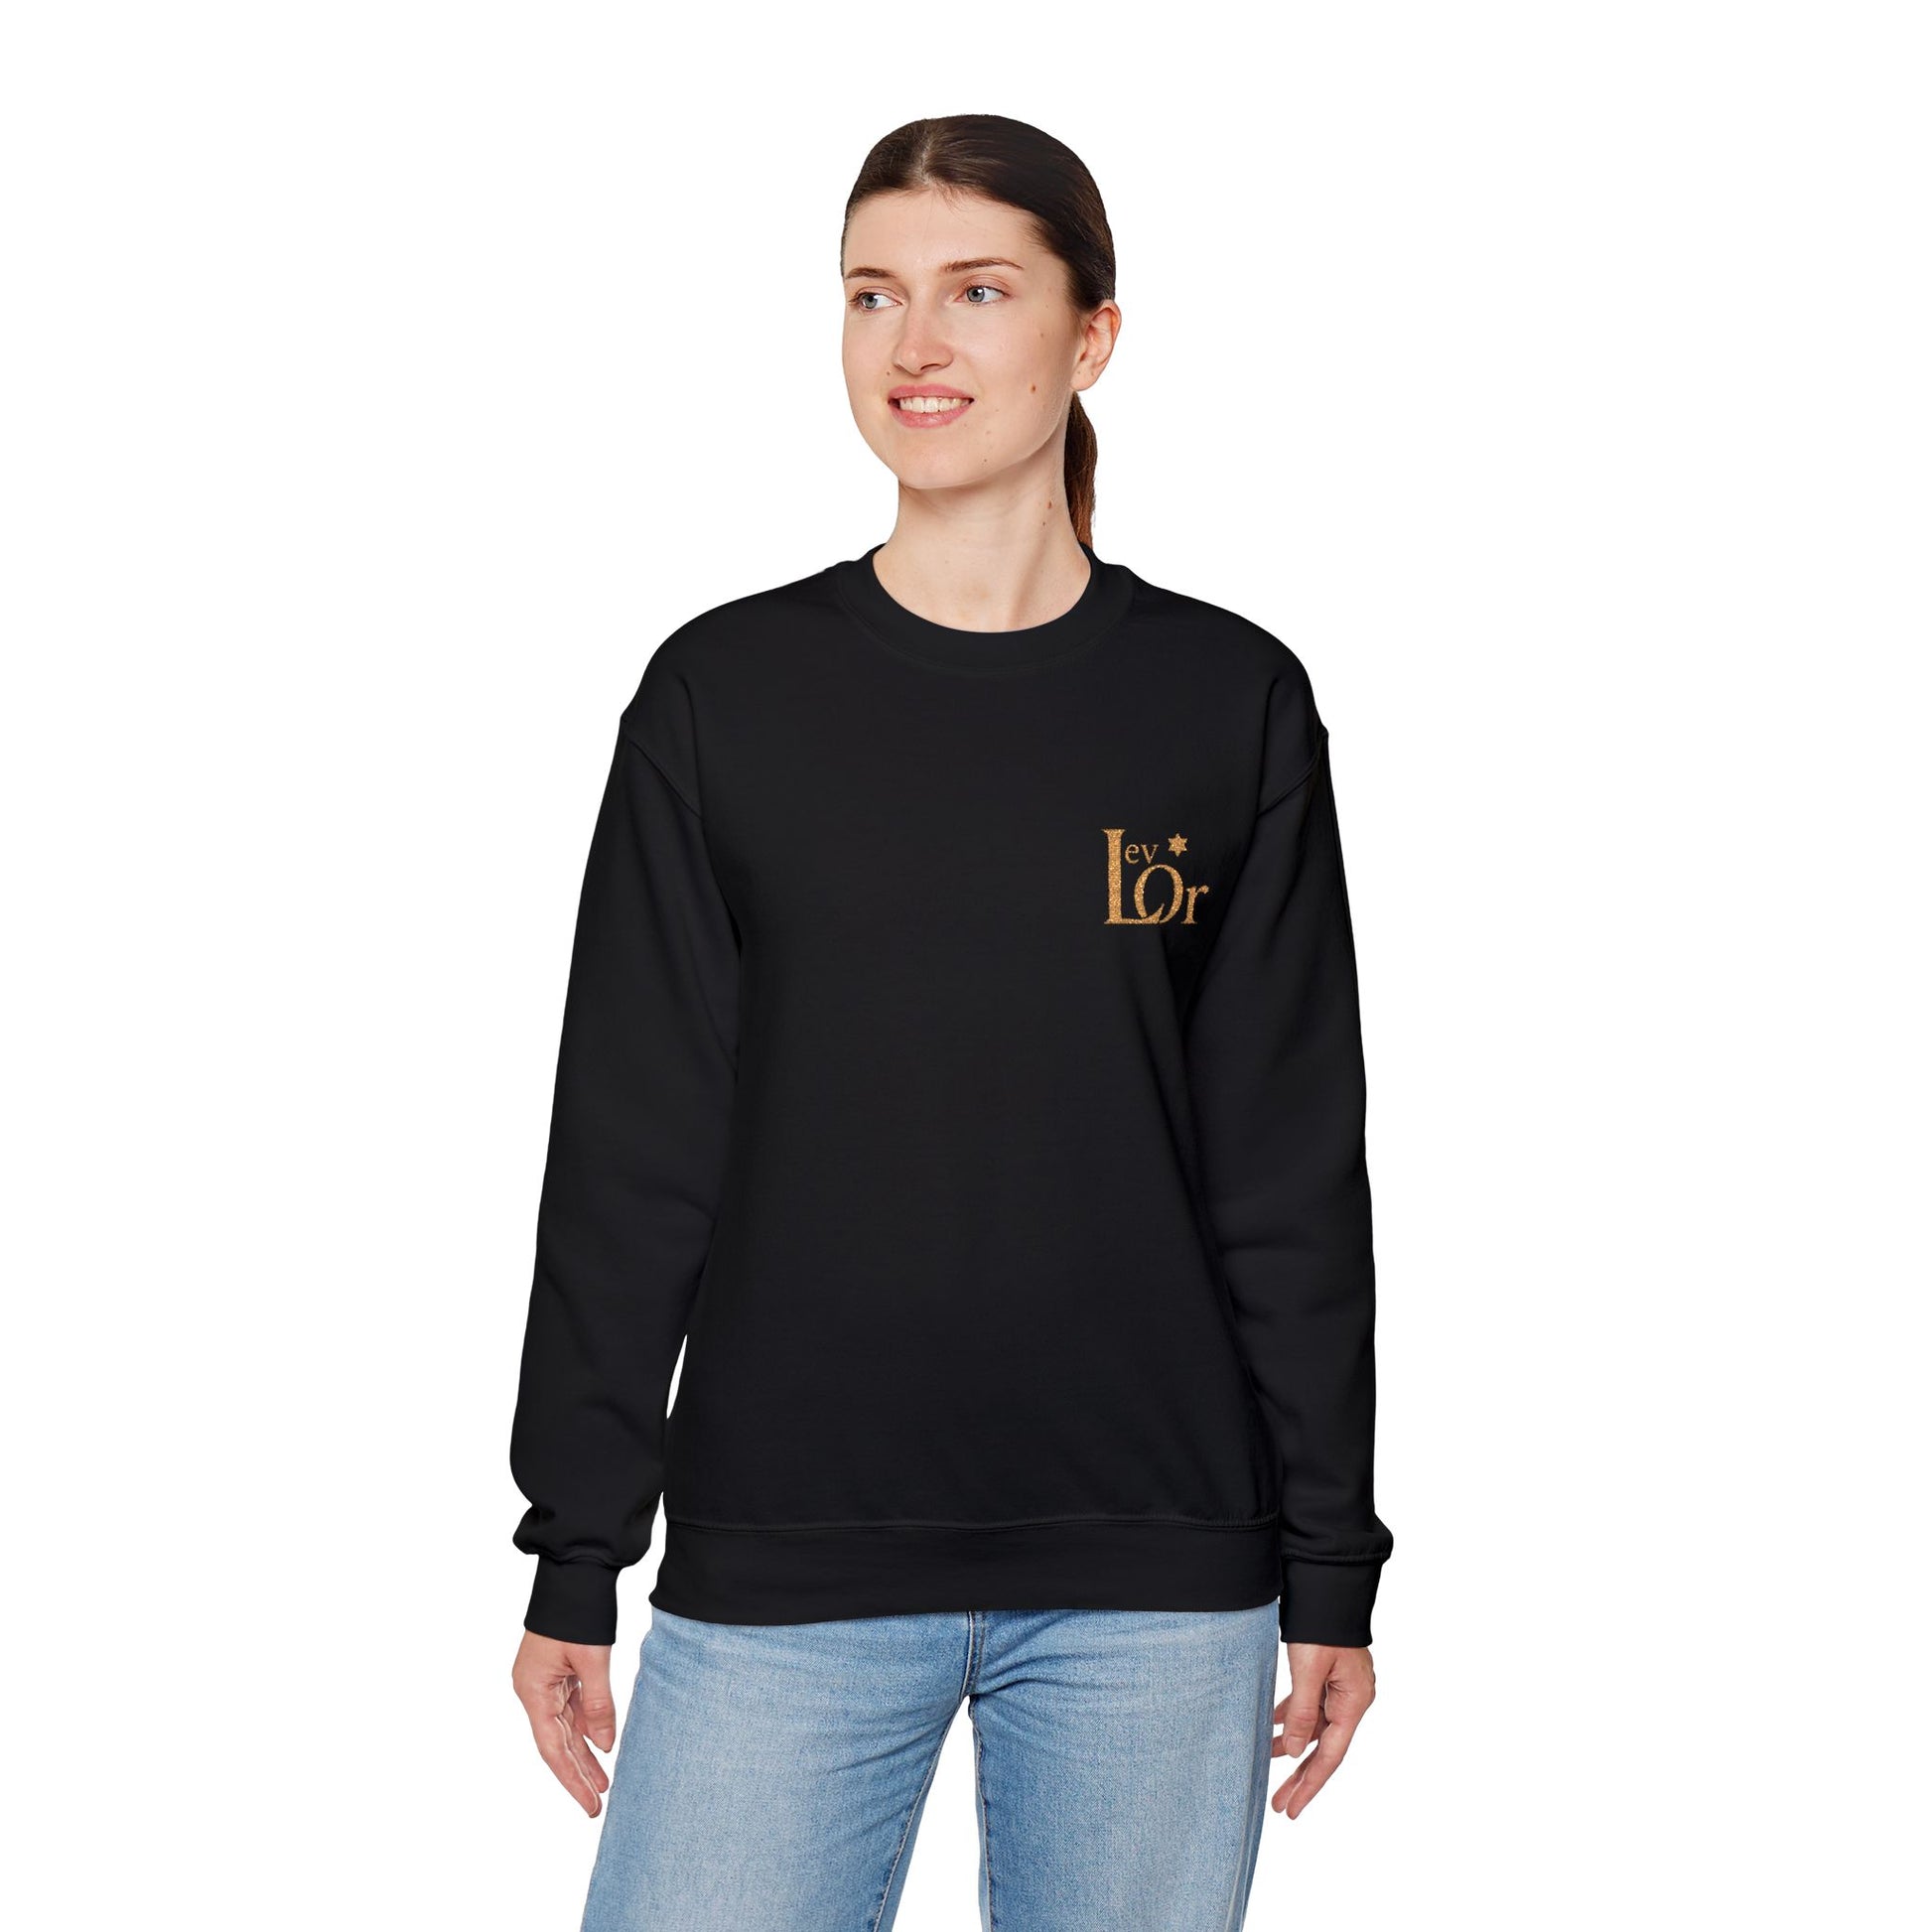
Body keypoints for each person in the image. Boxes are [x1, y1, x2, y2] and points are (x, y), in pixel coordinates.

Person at [508, 112, 1394, 1932]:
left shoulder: (1224, 700)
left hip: (1157, 1576)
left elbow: (1287, 1168)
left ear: (1091, 335)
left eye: (977, 291)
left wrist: (1330, 1562)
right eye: (870, 295)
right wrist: (578, 1542)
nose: (912, 343)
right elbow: (632, 1150)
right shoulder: (722, 697)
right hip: (786, 1556)